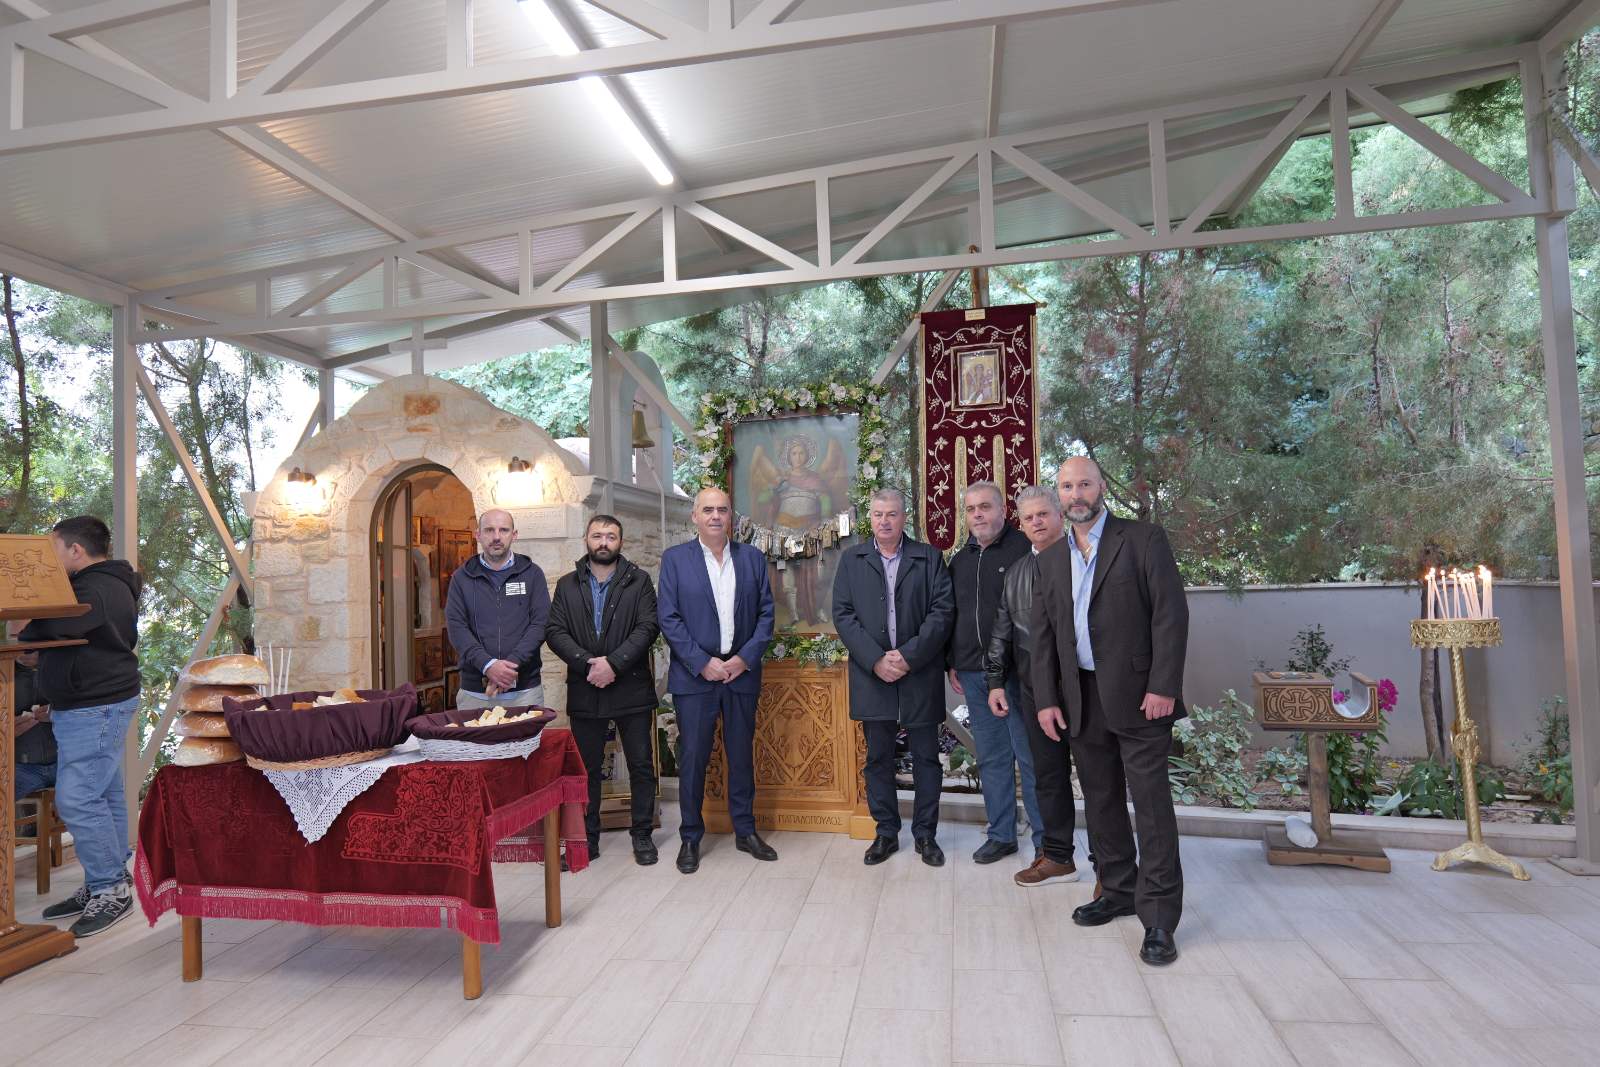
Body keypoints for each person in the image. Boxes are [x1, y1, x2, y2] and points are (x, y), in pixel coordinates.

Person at [1031, 458, 1189, 966]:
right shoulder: (1051, 558)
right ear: (1059, 495)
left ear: (1101, 487)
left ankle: (1159, 917)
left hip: (1142, 696)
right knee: (1100, 801)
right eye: (1066, 486)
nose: (1075, 494)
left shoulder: (1142, 540)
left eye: (1084, 484)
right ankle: (1118, 889)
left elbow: (1170, 615)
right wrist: (1047, 698)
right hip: (1081, 698)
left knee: (1151, 806)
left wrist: (1163, 686)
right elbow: (1044, 637)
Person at [17, 516, 142, 939]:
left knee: (77, 799)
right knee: (103, 795)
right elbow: (78, 634)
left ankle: (111, 889)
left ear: (76, 550)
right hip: (93, 704)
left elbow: (58, 624)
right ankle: (105, 879)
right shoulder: (107, 582)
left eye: (54, 548)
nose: (49, 558)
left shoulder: (96, 587)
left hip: (95, 707)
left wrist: (27, 629)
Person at [656, 487, 778, 874]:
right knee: (693, 758)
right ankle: (691, 837)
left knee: (741, 756)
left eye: (722, 510)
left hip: (741, 673)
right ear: (695, 516)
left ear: (731, 516)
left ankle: (746, 831)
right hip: (696, 677)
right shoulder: (675, 560)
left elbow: (766, 614)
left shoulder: (752, 558)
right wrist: (701, 662)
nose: (715, 516)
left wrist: (745, 658)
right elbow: (669, 618)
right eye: (707, 510)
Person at [833, 488, 954, 866]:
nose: (885, 521)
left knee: (927, 759)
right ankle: (885, 833)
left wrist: (908, 656)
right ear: (870, 518)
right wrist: (875, 659)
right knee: (878, 759)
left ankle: (925, 835)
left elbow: (942, 612)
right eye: (878, 514)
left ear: (904, 517)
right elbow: (843, 615)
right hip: (873, 676)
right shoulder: (852, 560)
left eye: (892, 514)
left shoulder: (929, 557)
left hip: (919, 673)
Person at [545, 514, 661, 866]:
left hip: (631, 687)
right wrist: (588, 664)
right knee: (586, 771)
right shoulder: (567, 585)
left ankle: (642, 835)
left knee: (641, 765)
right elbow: (555, 631)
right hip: (586, 688)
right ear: (587, 539)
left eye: (611, 536)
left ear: (620, 542)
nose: (604, 542)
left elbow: (648, 627)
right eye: (597, 535)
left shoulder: (639, 581)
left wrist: (613, 664)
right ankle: (586, 841)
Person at [986, 485, 1084, 887]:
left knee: (1098, 776)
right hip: (1036, 690)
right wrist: (995, 681)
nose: (1037, 522)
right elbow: (1002, 632)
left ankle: (1110, 866)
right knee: (1047, 775)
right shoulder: (1017, 573)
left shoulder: (1085, 561)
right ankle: (1057, 857)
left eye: (1043, 514)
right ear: (1021, 525)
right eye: (1028, 518)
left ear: (1060, 515)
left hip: (1086, 685)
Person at [946, 480, 1038, 865]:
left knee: (1031, 758)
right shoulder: (960, 561)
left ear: (1003, 510)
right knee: (992, 758)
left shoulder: (1024, 551)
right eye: (971, 509)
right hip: (973, 673)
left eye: (985, 507)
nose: (978, 515)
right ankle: (1002, 835)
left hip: (1019, 674)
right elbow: (953, 615)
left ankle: (1048, 842)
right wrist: (952, 661)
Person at [445, 509, 551, 710]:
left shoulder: (532, 574)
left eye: (503, 530)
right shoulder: (461, 577)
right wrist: (488, 666)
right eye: (489, 530)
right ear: (478, 535)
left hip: (525, 693)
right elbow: (457, 628)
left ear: (514, 534)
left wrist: (509, 667)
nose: (496, 537)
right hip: (475, 694)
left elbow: (541, 624)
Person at [12, 652, 57, 803]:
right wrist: (6, 731)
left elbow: (90, 712)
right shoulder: (4, 672)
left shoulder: (62, 666)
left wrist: (60, 714)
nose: (25, 647)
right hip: (20, 769)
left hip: (65, 764)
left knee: (100, 794)